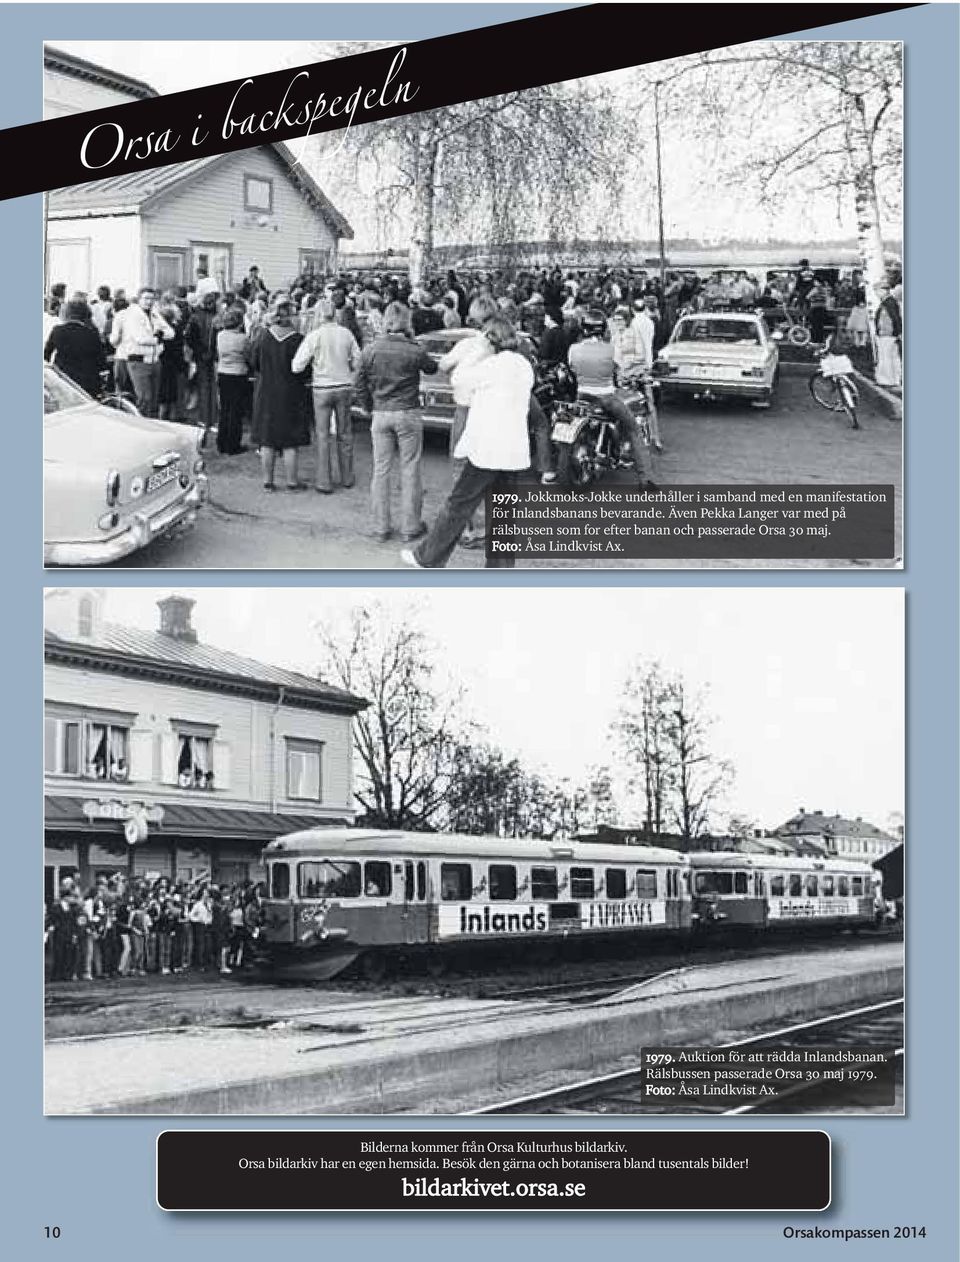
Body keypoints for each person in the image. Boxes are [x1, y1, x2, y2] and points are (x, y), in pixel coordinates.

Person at [402, 314, 534, 569]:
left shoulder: (492, 365)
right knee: (504, 512)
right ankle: (500, 569)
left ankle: (428, 558)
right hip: (514, 451)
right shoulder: (523, 365)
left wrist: (477, 351)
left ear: (490, 339)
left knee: (459, 504)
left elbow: (458, 380)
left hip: (488, 450)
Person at [355, 300, 438, 542]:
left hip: (381, 413)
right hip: (408, 412)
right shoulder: (415, 349)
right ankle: (410, 526)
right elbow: (432, 368)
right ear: (406, 322)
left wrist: (367, 406)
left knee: (381, 470)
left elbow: (358, 382)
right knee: (410, 468)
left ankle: (381, 527)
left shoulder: (370, 349)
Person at [567, 309, 656, 485]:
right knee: (634, 430)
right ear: (603, 329)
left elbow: (573, 367)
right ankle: (646, 480)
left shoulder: (573, 349)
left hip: (582, 396)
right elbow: (620, 370)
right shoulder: (611, 349)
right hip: (606, 397)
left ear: (583, 328)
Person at [291, 298, 361, 493]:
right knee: (344, 433)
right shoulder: (346, 334)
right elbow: (358, 359)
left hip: (322, 387)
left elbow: (296, 366)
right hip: (344, 385)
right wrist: (352, 376)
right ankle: (347, 477)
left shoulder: (314, 336)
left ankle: (324, 481)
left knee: (322, 435)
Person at [250, 297, 311, 490]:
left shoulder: (263, 336)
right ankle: (292, 482)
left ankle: (268, 481)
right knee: (290, 441)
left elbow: (254, 363)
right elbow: (305, 370)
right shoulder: (298, 340)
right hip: (291, 393)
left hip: (266, 391)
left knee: (267, 439)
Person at [108, 287, 173, 416]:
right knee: (145, 399)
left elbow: (171, 333)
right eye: (146, 298)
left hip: (154, 360)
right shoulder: (133, 315)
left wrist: (157, 335)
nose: (149, 302)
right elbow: (140, 338)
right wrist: (158, 337)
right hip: (138, 361)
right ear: (139, 299)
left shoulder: (154, 313)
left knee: (154, 401)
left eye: (152, 299)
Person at [44, 298, 106, 397]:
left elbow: (46, 356)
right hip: (88, 381)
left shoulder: (58, 331)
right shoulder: (92, 333)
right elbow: (101, 362)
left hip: (64, 380)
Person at [215, 307, 252, 454]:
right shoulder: (243, 339)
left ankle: (221, 442)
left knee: (224, 410)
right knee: (236, 411)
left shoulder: (220, 335)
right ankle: (233, 444)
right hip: (238, 374)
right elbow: (249, 356)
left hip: (223, 373)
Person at [874, 284, 902, 388]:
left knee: (885, 357)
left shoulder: (888, 303)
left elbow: (894, 318)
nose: (876, 293)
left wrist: (897, 331)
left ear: (884, 291)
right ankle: (895, 379)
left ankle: (885, 380)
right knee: (893, 357)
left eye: (877, 290)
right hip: (891, 333)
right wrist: (898, 332)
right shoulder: (891, 302)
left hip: (886, 333)